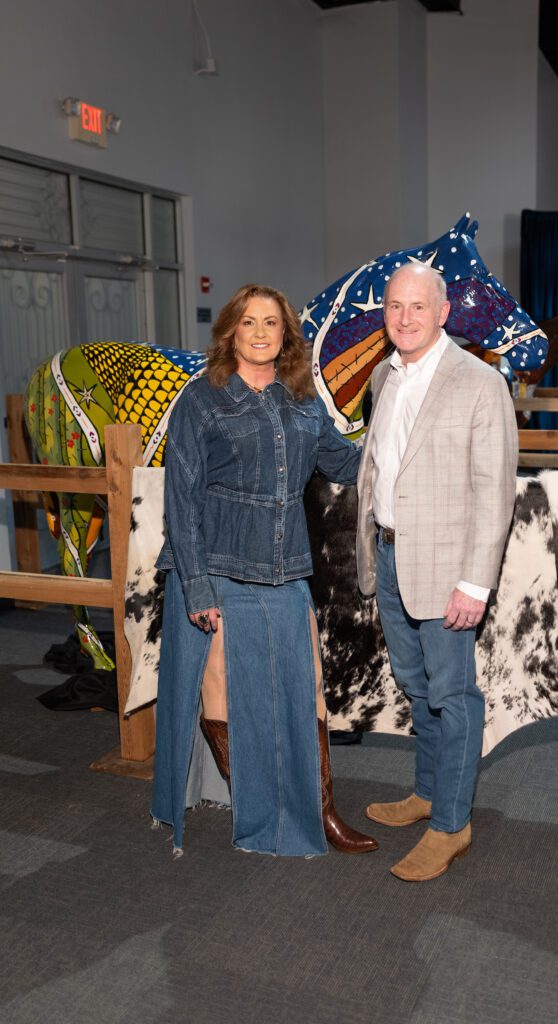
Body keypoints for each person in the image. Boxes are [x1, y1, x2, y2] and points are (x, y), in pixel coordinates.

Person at [152, 283, 378, 858]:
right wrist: (196, 585)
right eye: (248, 322)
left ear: (285, 336)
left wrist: (398, 437)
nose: (259, 332)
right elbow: (181, 499)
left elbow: (346, 463)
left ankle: (321, 810)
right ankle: (258, 804)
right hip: (218, 566)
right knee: (223, 695)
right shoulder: (201, 401)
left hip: (286, 568)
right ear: (231, 332)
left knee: (311, 693)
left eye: (271, 323)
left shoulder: (302, 403)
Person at [356, 263, 517, 882]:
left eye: (418, 307)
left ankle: (451, 824)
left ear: (443, 312)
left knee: (452, 694)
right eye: (395, 306)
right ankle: (426, 791)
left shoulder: (480, 384)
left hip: (450, 569)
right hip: (392, 557)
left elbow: (494, 492)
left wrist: (475, 582)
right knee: (414, 684)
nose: (404, 317)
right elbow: (380, 466)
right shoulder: (381, 376)